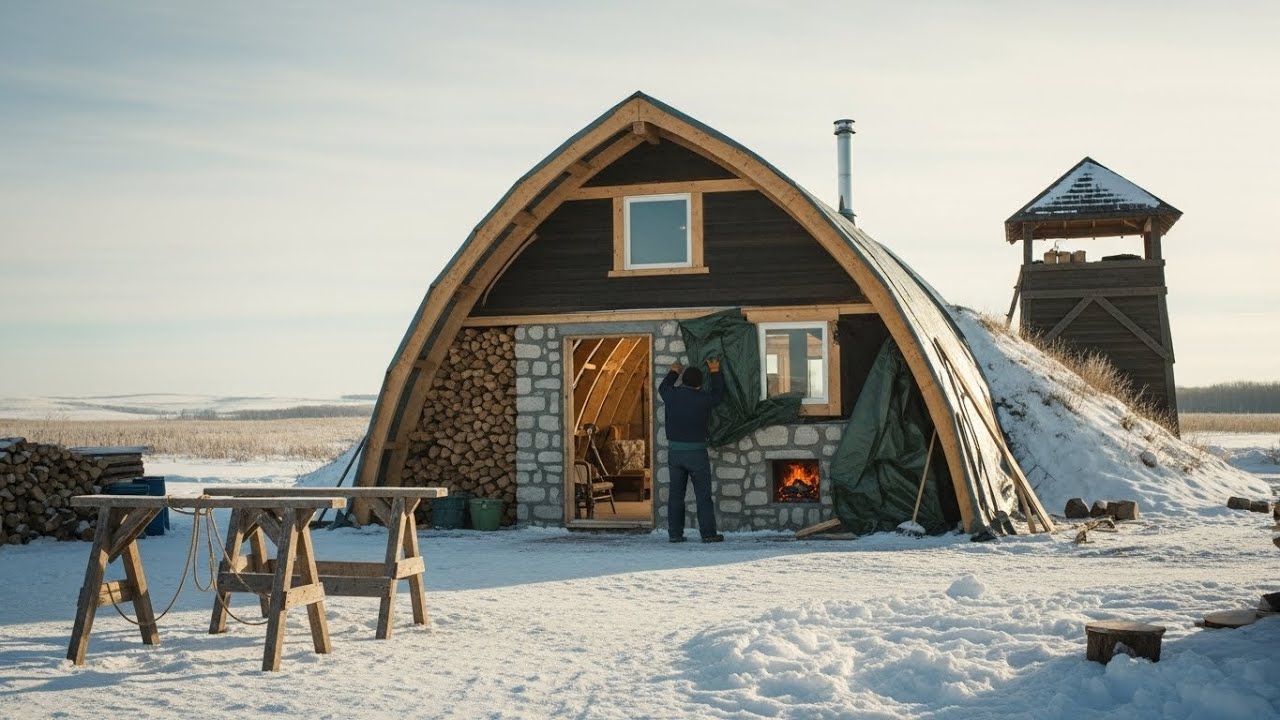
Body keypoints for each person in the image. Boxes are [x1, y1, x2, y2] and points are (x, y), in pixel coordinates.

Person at [658, 357, 727, 543]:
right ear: (699, 385)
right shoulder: (703, 399)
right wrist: (715, 371)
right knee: (703, 495)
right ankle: (708, 534)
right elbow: (719, 394)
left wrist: (674, 371)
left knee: (676, 495)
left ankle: (675, 534)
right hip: (697, 453)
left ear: (684, 381)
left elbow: (662, 388)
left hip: (675, 453)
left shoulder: (671, 394)